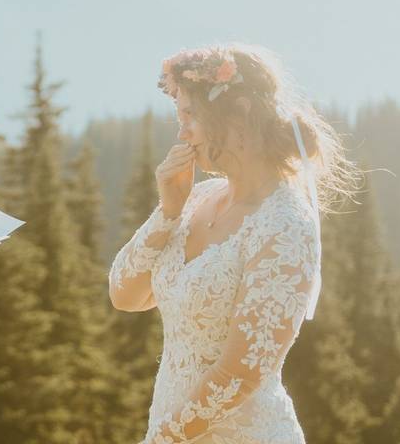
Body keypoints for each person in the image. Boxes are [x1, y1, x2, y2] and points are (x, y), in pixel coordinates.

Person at [109, 44, 358, 444]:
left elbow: (242, 371)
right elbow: (124, 294)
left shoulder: (285, 223)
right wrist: (167, 212)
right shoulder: (195, 199)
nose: (182, 131)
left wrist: (164, 439)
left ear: (239, 113)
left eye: (190, 115)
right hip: (170, 430)